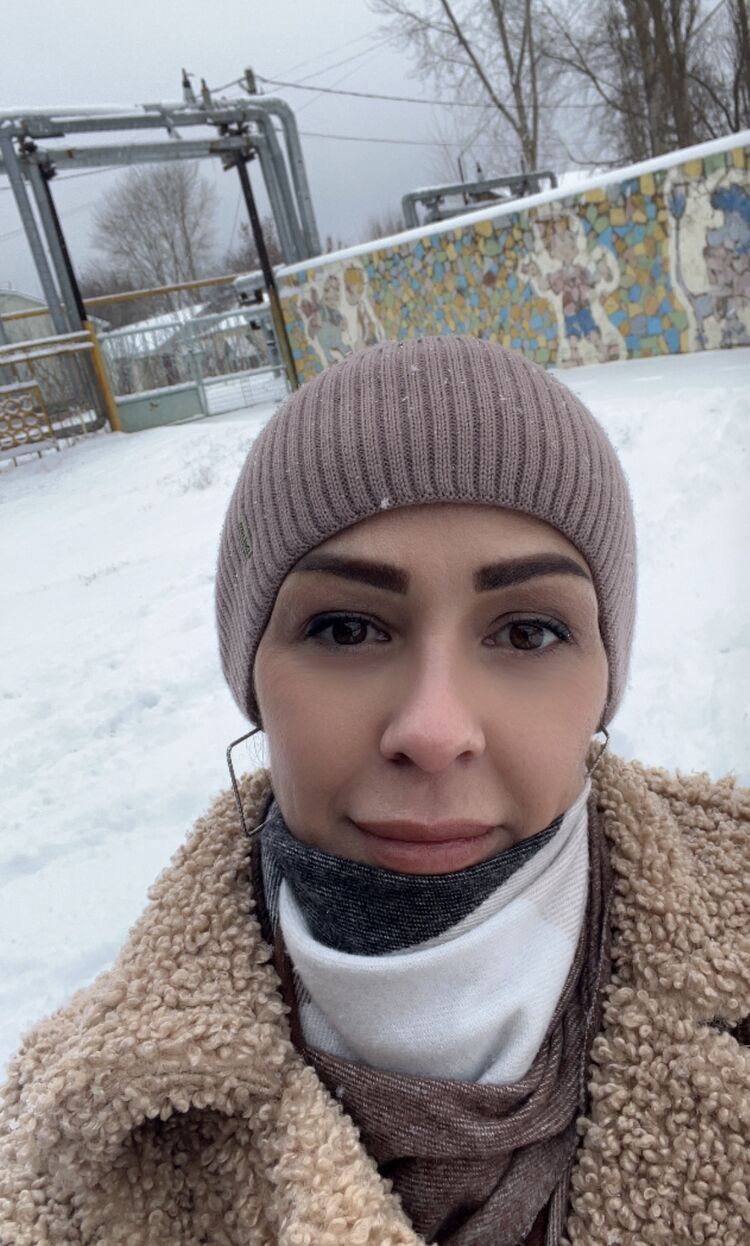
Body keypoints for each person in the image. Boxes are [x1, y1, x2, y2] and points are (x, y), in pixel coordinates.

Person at [1, 336, 747, 1246]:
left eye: (527, 634)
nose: (434, 732)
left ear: (605, 681)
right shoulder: (77, 1132)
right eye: (347, 628)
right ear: (252, 679)